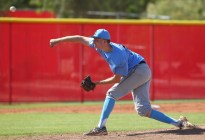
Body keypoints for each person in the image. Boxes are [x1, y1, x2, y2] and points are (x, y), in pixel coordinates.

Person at [50, 29, 195, 136]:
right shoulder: (98, 45)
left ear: (106, 41)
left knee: (111, 93)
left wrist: (96, 83)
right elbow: (80, 38)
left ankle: (101, 128)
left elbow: (117, 79)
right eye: (94, 39)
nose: (94, 41)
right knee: (143, 110)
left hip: (139, 71)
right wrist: (57, 41)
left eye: (97, 39)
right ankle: (179, 123)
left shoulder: (117, 55)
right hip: (141, 70)